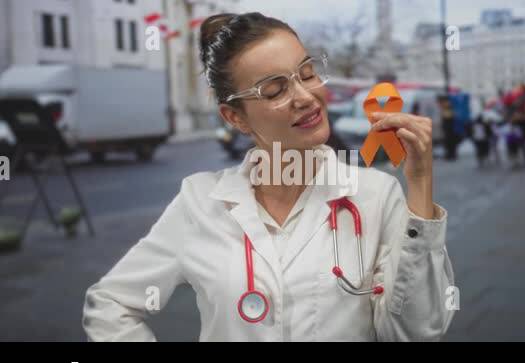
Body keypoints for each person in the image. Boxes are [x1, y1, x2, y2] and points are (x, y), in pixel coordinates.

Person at [82, 12, 455, 342]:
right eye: (274, 89)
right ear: (235, 118)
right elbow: (111, 303)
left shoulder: (375, 194)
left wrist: (420, 187)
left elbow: (416, 333)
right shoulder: (200, 201)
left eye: (307, 73)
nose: (305, 96)